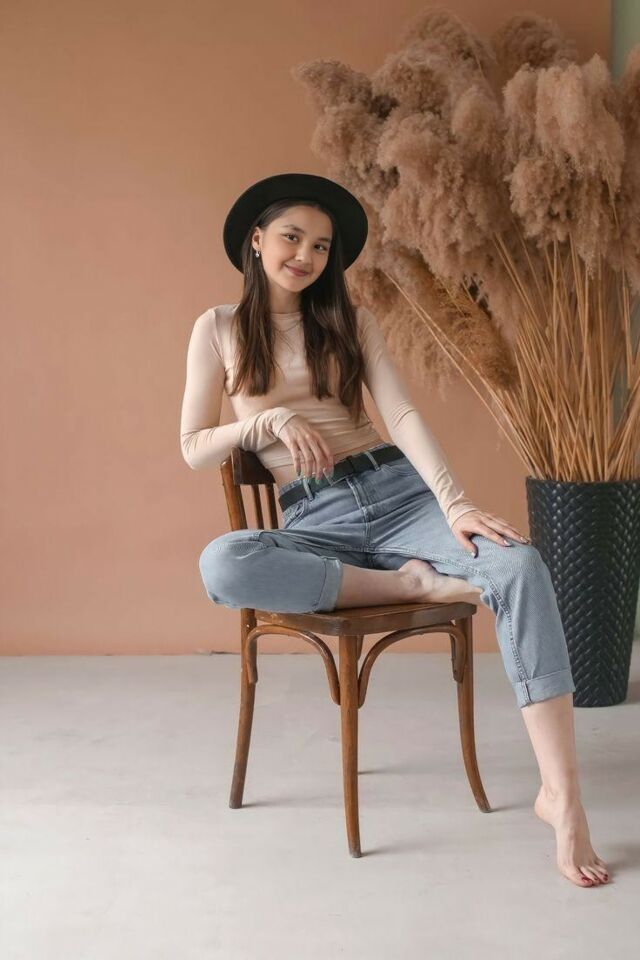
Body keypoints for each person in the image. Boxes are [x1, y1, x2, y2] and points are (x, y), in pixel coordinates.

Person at [180, 172, 609, 887]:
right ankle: (409, 584)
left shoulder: (349, 321)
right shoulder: (218, 327)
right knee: (223, 564)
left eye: (321, 246)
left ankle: (563, 799)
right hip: (316, 518)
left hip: (398, 496)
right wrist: (264, 420)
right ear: (256, 240)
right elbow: (195, 446)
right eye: (292, 237)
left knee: (519, 565)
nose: (306, 255)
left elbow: (401, 416)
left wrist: (455, 504)